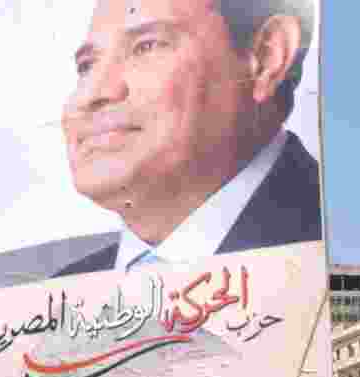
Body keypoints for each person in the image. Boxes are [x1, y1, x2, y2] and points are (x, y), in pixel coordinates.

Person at [55, 0, 321, 278]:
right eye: (86, 66)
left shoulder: (339, 247)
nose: (89, 96)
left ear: (266, 59)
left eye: (146, 46)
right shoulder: (56, 293)